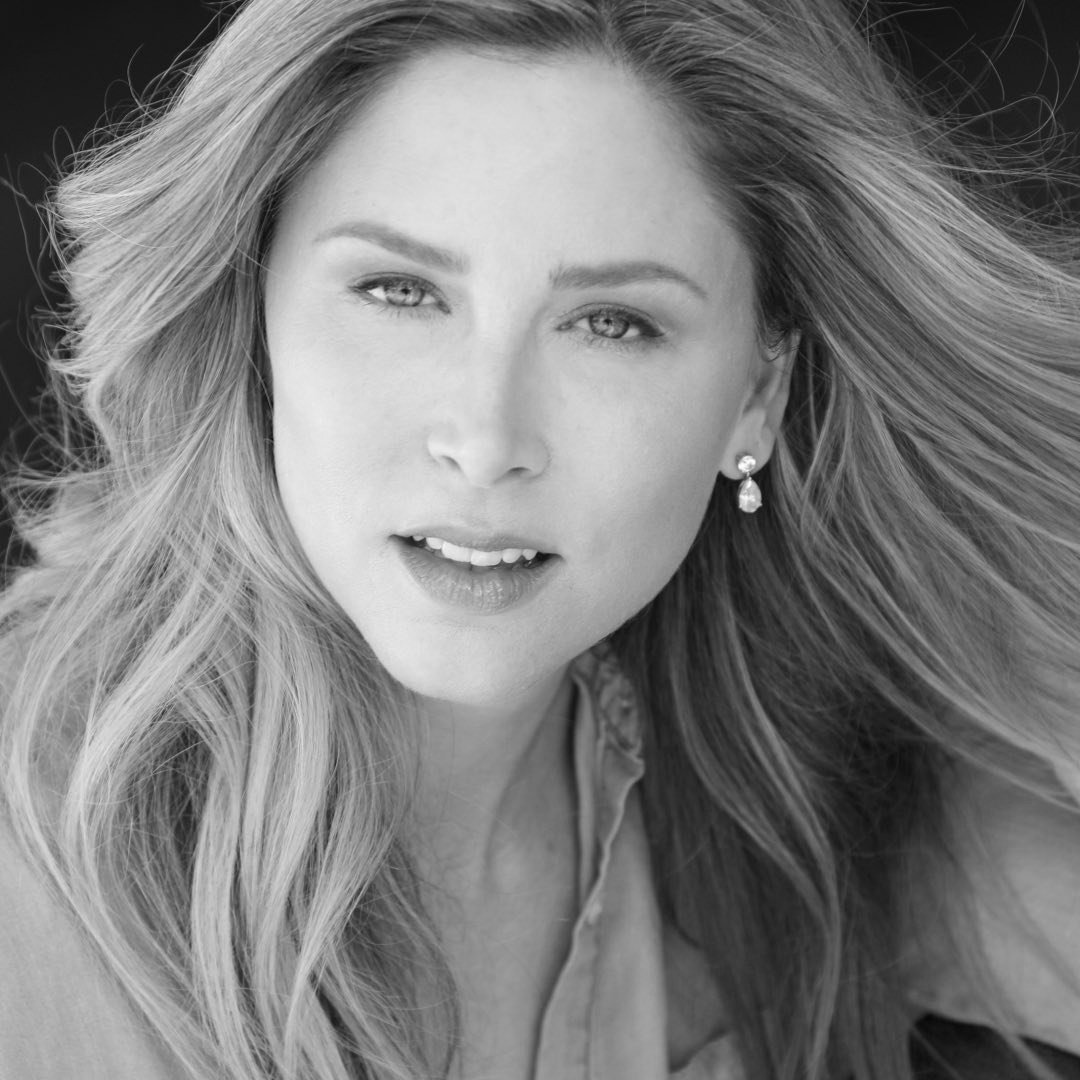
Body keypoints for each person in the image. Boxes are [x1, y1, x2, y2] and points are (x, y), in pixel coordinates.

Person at [0, 0, 1078, 1077]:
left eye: (613, 323)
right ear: (253, 312)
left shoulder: (782, 805)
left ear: (756, 394)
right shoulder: (30, 885)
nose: (486, 440)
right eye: (399, 291)